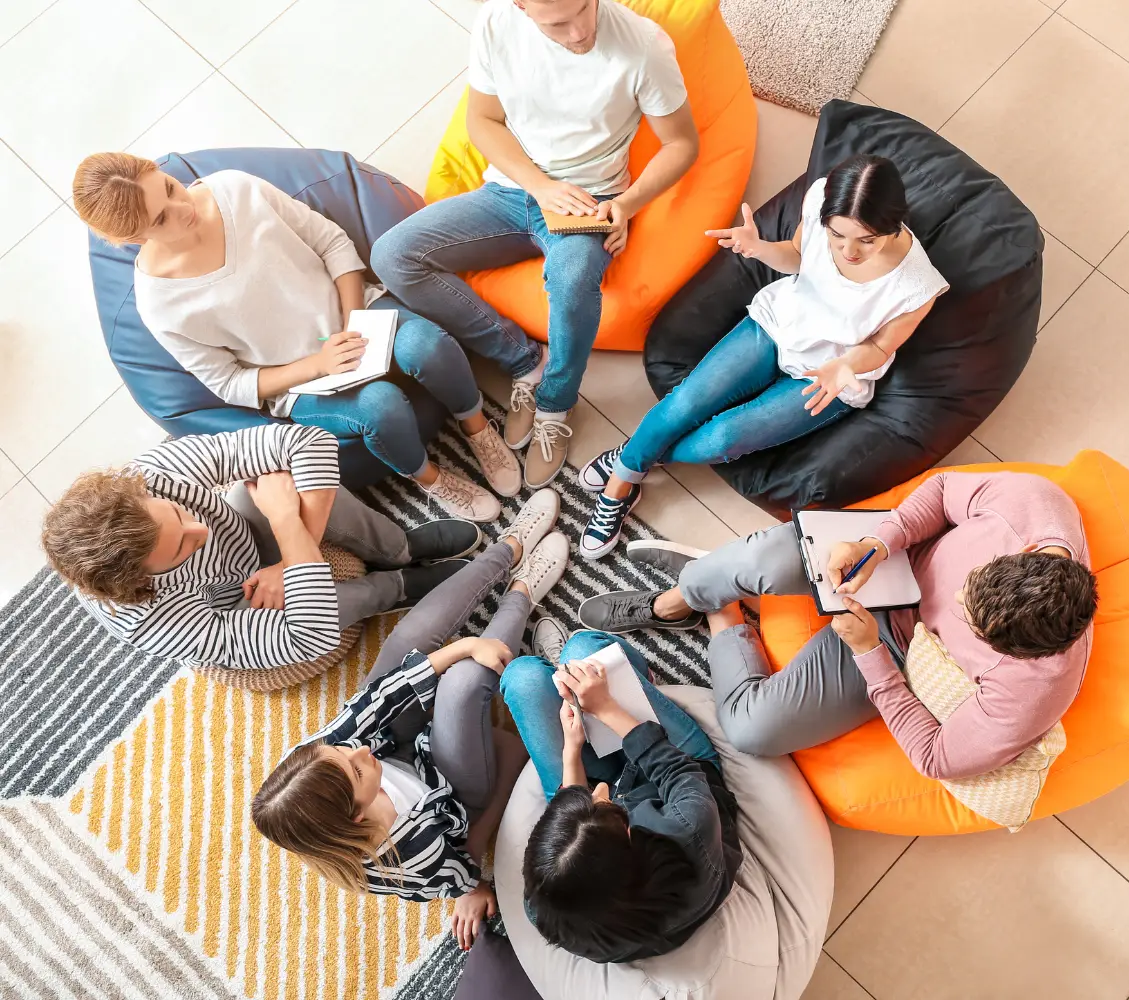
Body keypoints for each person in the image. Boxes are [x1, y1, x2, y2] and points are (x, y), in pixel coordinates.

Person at [72, 151, 516, 521]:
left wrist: (352, 320)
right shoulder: (160, 303)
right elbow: (229, 384)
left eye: (169, 187)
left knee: (429, 346)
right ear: (132, 237)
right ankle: (432, 480)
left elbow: (332, 243)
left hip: (353, 316)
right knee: (380, 409)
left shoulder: (235, 189)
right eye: (161, 219)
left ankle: (477, 428)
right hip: (301, 381)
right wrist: (318, 365)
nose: (184, 209)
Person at [371, 0, 700, 490]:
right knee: (391, 255)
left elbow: (682, 144)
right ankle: (524, 359)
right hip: (510, 190)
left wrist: (627, 204)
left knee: (570, 282)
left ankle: (555, 400)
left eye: (584, 9)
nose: (579, 32)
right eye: (557, 23)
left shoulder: (643, 46)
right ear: (521, 7)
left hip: (591, 199)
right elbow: (483, 119)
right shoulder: (495, 23)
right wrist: (539, 185)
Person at [577, 472, 1099, 780]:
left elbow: (937, 758)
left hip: (898, 649)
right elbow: (940, 492)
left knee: (751, 730)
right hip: (893, 557)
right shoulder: (1033, 506)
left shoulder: (1037, 688)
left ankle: (722, 610)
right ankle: (678, 601)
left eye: (972, 624)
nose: (956, 601)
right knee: (761, 560)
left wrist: (872, 655)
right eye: (972, 588)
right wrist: (877, 543)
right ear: (1025, 552)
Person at [574, 154, 948, 559]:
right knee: (684, 403)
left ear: (891, 227)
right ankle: (621, 484)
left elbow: (879, 347)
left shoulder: (917, 284)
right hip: (777, 323)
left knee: (722, 439)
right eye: (837, 235)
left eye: (866, 240)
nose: (848, 250)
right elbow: (798, 258)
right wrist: (759, 249)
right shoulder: (821, 195)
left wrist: (845, 366)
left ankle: (631, 455)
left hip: (828, 376)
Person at [250, 491, 571, 951]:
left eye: (341, 750)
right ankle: (522, 592)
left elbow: (377, 702)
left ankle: (508, 549)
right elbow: (462, 865)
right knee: (462, 684)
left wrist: (462, 645)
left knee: (414, 638)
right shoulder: (409, 857)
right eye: (357, 769)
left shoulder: (313, 764)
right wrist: (473, 886)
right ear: (359, 814)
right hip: (449, 784)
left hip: (400, 739)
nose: (357, 749)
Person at [41, 424, 483, 672]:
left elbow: (307, 443)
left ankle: (399, 547)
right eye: (180, 549)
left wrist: (290, 554)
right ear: (142, 578)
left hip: (249, 539)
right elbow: (309, 635)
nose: (201, 529)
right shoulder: (147, 621)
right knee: (319, 597)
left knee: (287, 487)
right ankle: (395, 588)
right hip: (234, 603)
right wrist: (285, 521)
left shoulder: (151, 475)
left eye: (179, 514)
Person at [498, 628, 741, 963]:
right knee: (583, 650)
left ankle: (568, 680)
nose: (601, 790)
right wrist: (607, 707)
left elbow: (576, 828)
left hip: (615, 828)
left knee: (522, 678)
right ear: (629, 834)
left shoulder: (544, 906)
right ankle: (637, 677)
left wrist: (572, 750)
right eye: (605, 801)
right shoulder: (690, 830)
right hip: (678, 773)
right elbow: (676, 771)